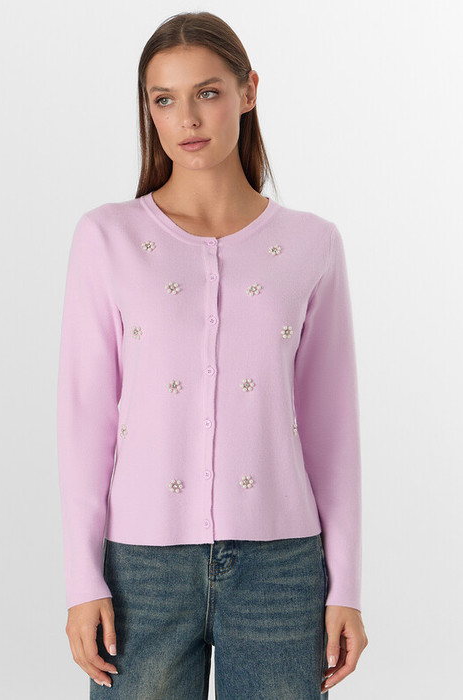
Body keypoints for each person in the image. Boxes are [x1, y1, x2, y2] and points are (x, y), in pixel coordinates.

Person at [57, 11, 368, 699]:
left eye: (207, 92)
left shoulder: (312, 244)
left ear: (248, 91)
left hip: (283, 570)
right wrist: (83, 580)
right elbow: (85, 421)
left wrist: (344, 584)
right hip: (139, 571)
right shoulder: (106, 238)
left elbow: (331, 430)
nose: (187, 118)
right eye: (163, 99)